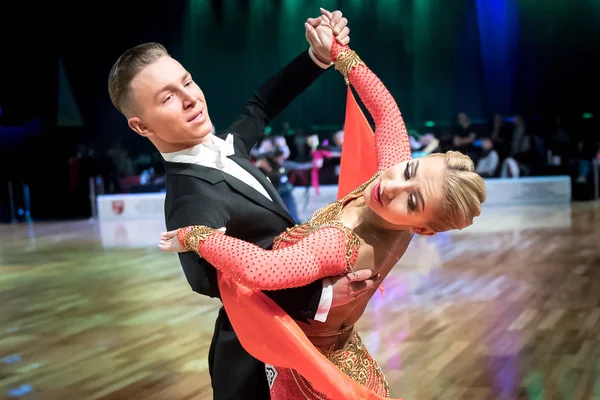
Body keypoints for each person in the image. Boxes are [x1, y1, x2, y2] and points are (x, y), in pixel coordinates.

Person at [159, 15, 486, 399]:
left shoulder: (340, 242)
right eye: (409, 169)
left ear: (424, 229)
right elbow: (386, 112)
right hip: (342, 353)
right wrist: (337, 53)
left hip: (306, 371)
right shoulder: (391, 178)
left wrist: (194, 235)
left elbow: (264, 270)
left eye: (412, 200)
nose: (392, 184)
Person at [107, 9, 380, 400]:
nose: (190, 99)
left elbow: (262, 104)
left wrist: (316, 57)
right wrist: (320, 297)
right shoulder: (191, 200)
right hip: (259, 360)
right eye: (168, 97)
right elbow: (216, 281)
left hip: (300, 339)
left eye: (186, 82)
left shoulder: (227, 148)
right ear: (142, 126)